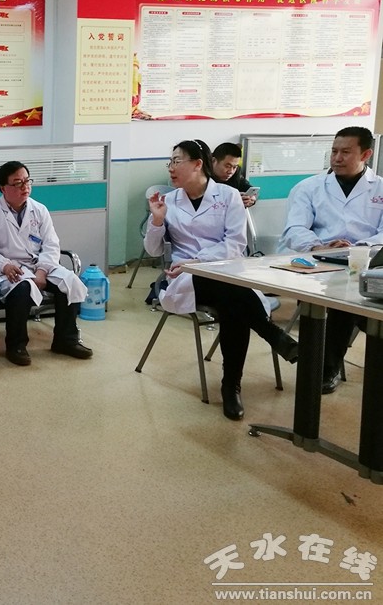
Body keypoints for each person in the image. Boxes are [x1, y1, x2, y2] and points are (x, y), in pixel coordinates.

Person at [144, 139, 298, 421]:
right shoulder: (169, 201)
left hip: (225, 273)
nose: (171, 168)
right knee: (234, 297)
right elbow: (153, 251)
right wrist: (156, 220)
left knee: (233, 305)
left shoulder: (228, 196)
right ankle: (267, 341)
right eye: (170, 162)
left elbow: (235, 244)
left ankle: (232, 385)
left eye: (177, 161)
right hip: (187, 279)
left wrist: (197, 261)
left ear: (197, 164)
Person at [279, 126, 383, 394]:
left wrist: (360, 247)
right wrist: (320, 245)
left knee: (364, 297)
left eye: (346, 152)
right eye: (334, 151)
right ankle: (328, 368)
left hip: (370, 263)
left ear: (366, 154)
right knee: (345, 300)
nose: (337, 158)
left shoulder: (380, 187)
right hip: (319, 265)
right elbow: (294, 229)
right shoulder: (309, 187)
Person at [0, 161, 92, 365]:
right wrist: (4, 265)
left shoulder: (39, 210)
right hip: (11, 269)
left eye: (27, 181)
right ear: (3, 188)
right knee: (22, 289)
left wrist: (42, 270)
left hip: (41, 265)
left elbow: (51, 245)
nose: (25, 187)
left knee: (69, 282)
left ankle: (66, 340)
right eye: (17, 183)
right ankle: (16, 346)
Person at [211, 142, 256, 208]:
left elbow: (247, 187)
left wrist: (251, 199)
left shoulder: (236, 173)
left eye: (235, 167)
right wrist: (233, 198)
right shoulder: (201, 175)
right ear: (214, 161)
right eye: (227, 166)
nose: (231, 171)